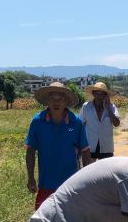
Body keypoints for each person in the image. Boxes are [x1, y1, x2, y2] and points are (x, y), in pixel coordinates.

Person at [25, 81, 91, 209]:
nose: (56, 103)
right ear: (47, 101)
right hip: (46, 183)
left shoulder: (76, 122)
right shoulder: (38, 121)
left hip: (70, 184)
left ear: (66, 102)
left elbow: (85, 151)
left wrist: (87, 179)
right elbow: (30, 150)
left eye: (60, 99)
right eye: (52, 99)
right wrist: (31, 178)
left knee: (69, 219)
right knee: (43, 219)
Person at [79, 81, 121, 162]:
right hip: (90, 144)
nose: (99, 96)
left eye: (102, 94)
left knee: (106, 168)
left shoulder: (111, 107)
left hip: (106, 145)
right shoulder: (86, 107)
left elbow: (117, 123)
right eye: (97, 93)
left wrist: (108, 108)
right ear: (93, 94)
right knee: (90, 168)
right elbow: (81, 124)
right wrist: (80, 142)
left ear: (105, 95)